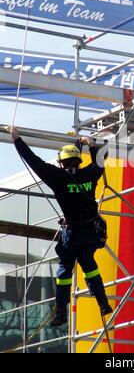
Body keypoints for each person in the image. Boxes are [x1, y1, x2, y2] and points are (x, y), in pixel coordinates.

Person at [6, 126, 113, 327]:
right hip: (91, 233)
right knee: (89, 265)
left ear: (61, 163)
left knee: (64, 271)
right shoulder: (90, 174)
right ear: (79, 161)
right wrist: (91, 145)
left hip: (73, 233)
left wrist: (16, 139)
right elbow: (99, 162)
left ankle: (60, 313)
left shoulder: (58, 177)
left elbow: (33, 161)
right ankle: (103, 303)